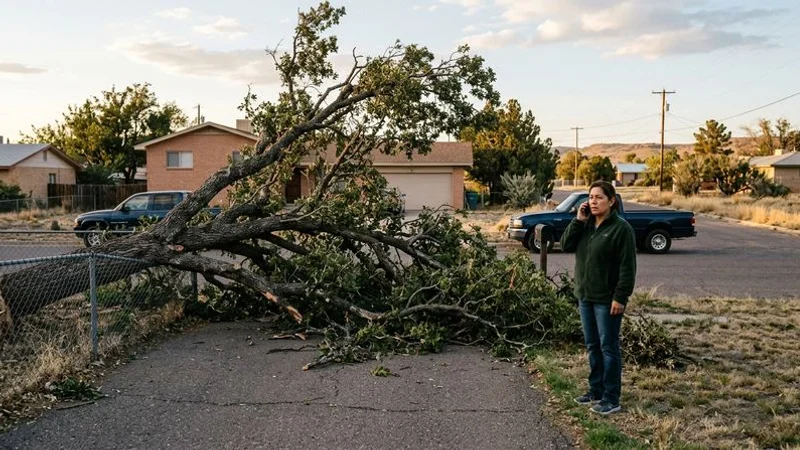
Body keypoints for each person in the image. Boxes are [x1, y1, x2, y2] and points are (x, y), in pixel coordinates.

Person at [559, 180, 637, 415]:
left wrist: (620, 297)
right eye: (590, 197)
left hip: (607, 299)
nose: (593, 201)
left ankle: (612, 398)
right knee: (593, 346)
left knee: (608, 347)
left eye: (599, 197)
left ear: (611, 201)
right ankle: (596, 391)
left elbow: (627, 267)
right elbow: (565, 245)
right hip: (585, 296)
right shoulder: (586, 225)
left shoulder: (621, 229)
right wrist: (578, 220)